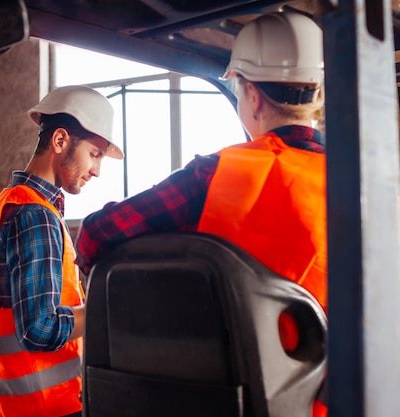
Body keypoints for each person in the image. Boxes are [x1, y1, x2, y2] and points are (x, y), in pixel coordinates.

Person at [74, 12, 327, 417]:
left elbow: (96, 235)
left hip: (228, 400)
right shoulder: (371, 183)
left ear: (253, 96)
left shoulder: (216, 174)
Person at [0, 85, 123, 417]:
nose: (97, 170)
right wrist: (108, 309)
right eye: (94, 154)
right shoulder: (35, 215)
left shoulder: (7, 202)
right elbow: (39, 328)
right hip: (44, 405)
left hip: (2, 404)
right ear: (60, 141)